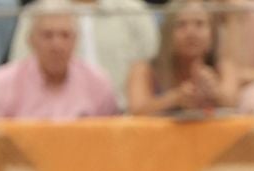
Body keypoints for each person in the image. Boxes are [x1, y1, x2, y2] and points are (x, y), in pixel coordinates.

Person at [0, 0, 118, 121]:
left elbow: (111, 143)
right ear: (31, 40)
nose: (56, 45)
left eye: (65, 35)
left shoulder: (98, 83)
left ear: (76, 40)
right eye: (47, 35)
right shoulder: (2, 84)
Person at [9, 0, 156, 100]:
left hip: (122, 118)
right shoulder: (36, 13)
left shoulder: (134, 10)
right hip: (48, 120)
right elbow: (18, 74)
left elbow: (155, 70)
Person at [127, 0, 235, 116]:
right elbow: (136, 111)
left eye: (200, 24)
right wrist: (175, 99)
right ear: (167, 33)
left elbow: (234, 102)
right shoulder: (144, 69)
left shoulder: (223, 67)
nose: (191, 33)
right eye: (181, 25)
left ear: (212, 34)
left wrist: (215, 92)